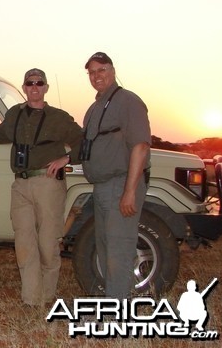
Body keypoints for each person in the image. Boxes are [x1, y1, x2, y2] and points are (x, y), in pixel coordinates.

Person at [0, 68, 83, 307]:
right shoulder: (15, 114)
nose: (34, 87)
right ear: (25, 87)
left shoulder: (58, 117)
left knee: (47, 244)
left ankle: (47, 297)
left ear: (46, 87)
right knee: (24, 243)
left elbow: (83, 141)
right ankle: (31, 300)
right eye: (30, 83)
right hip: (21, 184)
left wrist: (66, 159)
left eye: (39, 83)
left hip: (47, 183)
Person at [81, 52, 151, 300]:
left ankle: (118, 313)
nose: (96, 76)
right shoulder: (95, 108)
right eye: (92, 72)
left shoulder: (128, 101)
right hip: (101, 187)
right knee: (105, 249)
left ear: (112, 70)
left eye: (102, 70)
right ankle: (113, 303)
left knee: (118, 251)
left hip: (121, 184)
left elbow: (140, 147)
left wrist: (129, 191)